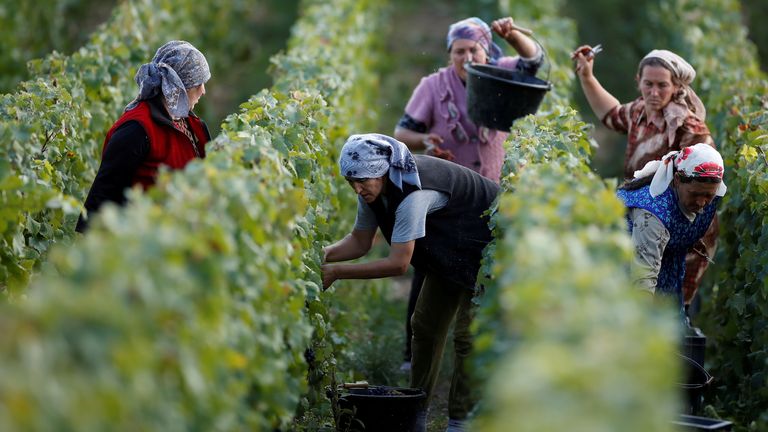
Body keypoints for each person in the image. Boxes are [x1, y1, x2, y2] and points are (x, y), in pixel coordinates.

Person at [322, 133, 499, 432]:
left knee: (468, 338)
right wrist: (320, 256)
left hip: (491, 246)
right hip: (452, 250)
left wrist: (337, 272)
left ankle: (460, 420)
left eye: (362, 180)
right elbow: (360, 242)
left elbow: (398, 263)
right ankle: (416, 410)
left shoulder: (413, 196)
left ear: (382, 171)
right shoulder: (372, 190)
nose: (357, 188)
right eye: (351, 182)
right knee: (425, 327)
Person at [393, 16, 542, 370]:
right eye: (458, 51)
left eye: (473, 49)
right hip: (446, 194)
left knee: (487, 266)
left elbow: (533, 62)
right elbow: (402, 133)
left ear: (486, 51)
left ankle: (480, 349)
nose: (466, 57)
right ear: (450, 54)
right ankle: (412, 353)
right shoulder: (432, 86)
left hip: (493, 188)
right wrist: (426, 141)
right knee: (429, 267)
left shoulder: (501, 73)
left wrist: (515, 35)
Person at [572, 47, 717, 311]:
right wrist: (587, 76)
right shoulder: (639, 111)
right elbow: (612, 114)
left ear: (675, 87)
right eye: (648, 84)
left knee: (662, 300)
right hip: (637, 215)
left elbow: (705, 185)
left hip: (669, 225)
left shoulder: (687, 128)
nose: (654, 92)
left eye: (662, 85)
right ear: (637, 81)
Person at [75, 40, 211, 232]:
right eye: (198, 83)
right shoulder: (136, 129)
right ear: (180, 84)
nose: (203, 91)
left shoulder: (193, 125)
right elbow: (103, 196)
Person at [616, 143, 726, 307]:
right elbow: (643, 278)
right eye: (695, 194)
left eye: (708, 195)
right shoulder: (652, 215)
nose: (702, 202)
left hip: (668, 270)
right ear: (676, 181)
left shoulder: (709, 194)